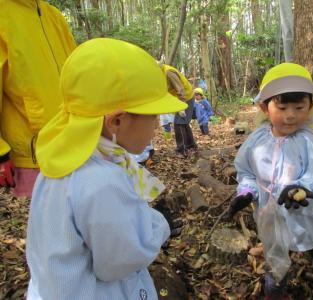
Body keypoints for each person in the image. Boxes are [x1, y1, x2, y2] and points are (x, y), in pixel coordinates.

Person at [26, 38, 188, 300]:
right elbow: (120, 260)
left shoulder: (61, 159)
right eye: (153, 116)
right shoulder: (102, 181)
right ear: (116, 121)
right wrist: (160, 224)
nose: (157, 126)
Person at [227, 63, 313, 300]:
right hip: (271, 213)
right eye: (282, 106)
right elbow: (245, 170)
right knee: (275, 257)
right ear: (264, 107)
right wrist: (247, 192)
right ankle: (275, 295)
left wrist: (299, 189)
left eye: (299, 107)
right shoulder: (256, 140)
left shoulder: (309, 141)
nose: (290, 115)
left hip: (307, 212)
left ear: (309, 107)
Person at [0, 0, 76, 197]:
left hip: (75, 141)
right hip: (34, 151)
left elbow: (77, 70)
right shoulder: (3, 14)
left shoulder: (53, 15)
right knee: (49, 221)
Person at [160, 64, 197, 157]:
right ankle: (191, 145)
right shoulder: (163, 72)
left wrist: (182, 106)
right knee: (183, 122)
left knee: (178, 123)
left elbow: (180, 89)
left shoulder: (168, 72)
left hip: (185, 97)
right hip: (184, 97)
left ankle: (181, 150)